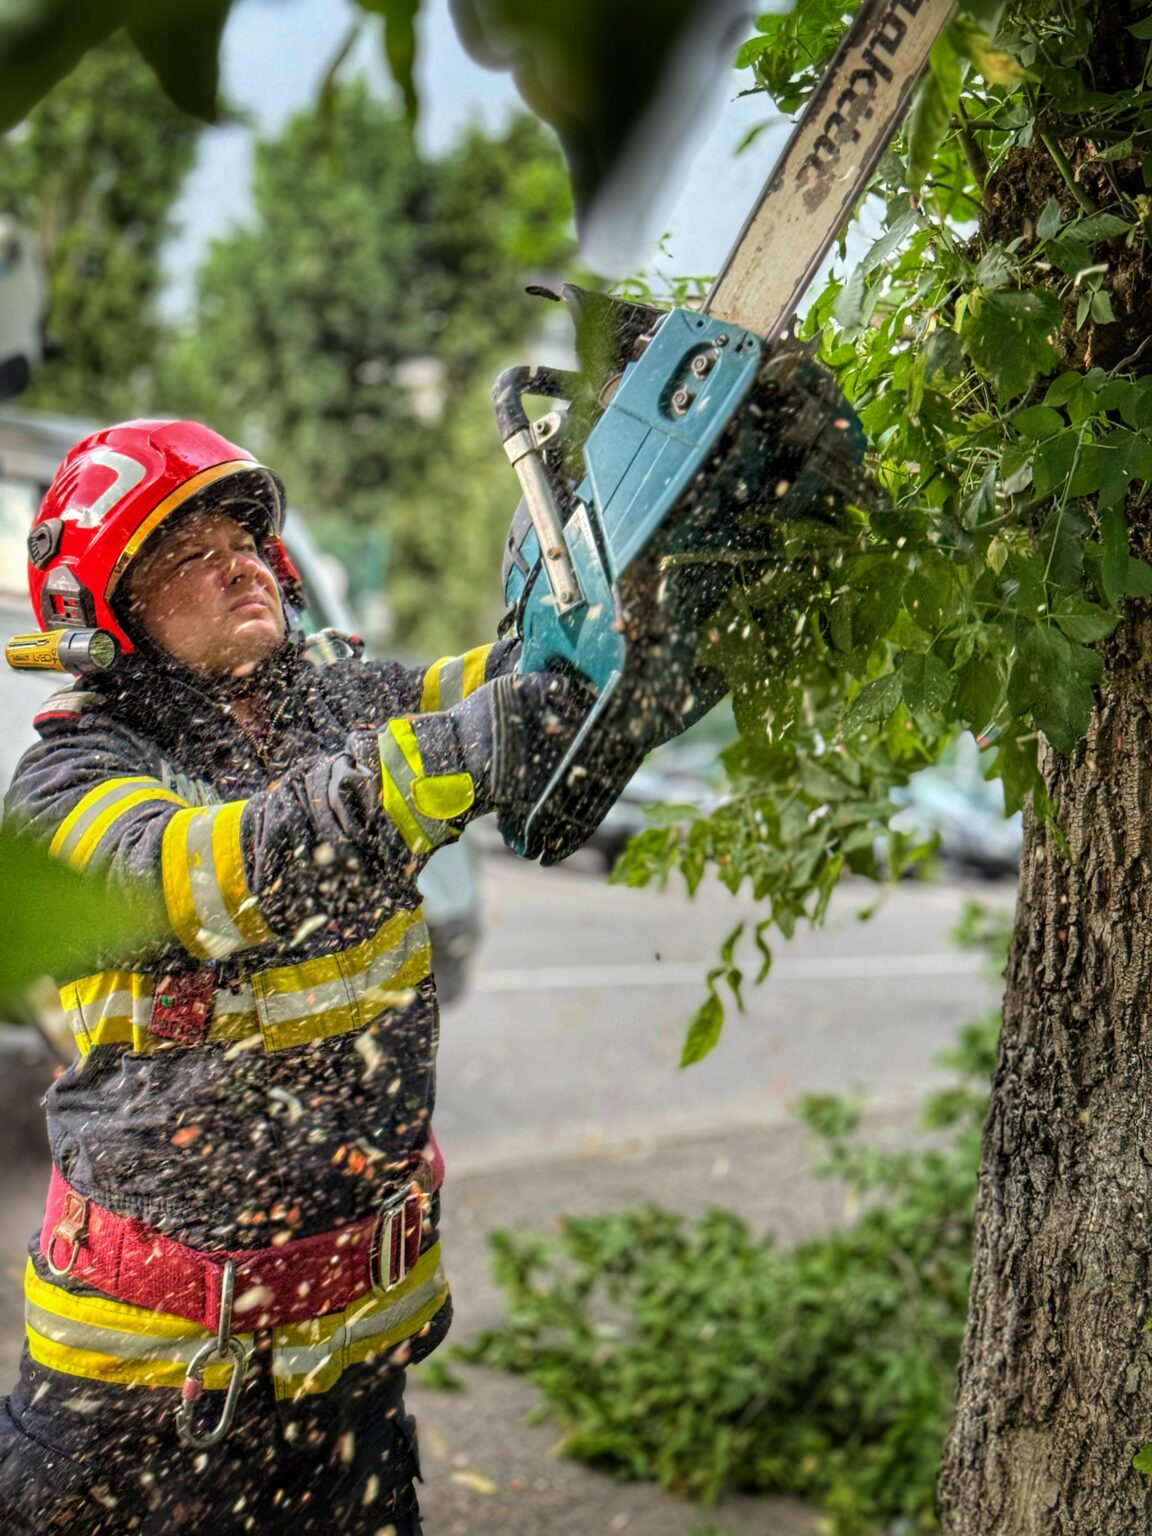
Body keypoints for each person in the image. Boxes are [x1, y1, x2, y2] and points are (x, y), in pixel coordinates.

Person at [0, 418, 588, 1535]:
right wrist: (445, 760)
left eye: (243, 538)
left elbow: (522, 686)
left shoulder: (337, 707)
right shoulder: (71, 779)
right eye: (185, 553)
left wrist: (638, 589)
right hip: (140, 1408)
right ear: (105, 612)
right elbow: (206, 875)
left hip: (347, 1384)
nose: (239, 564)